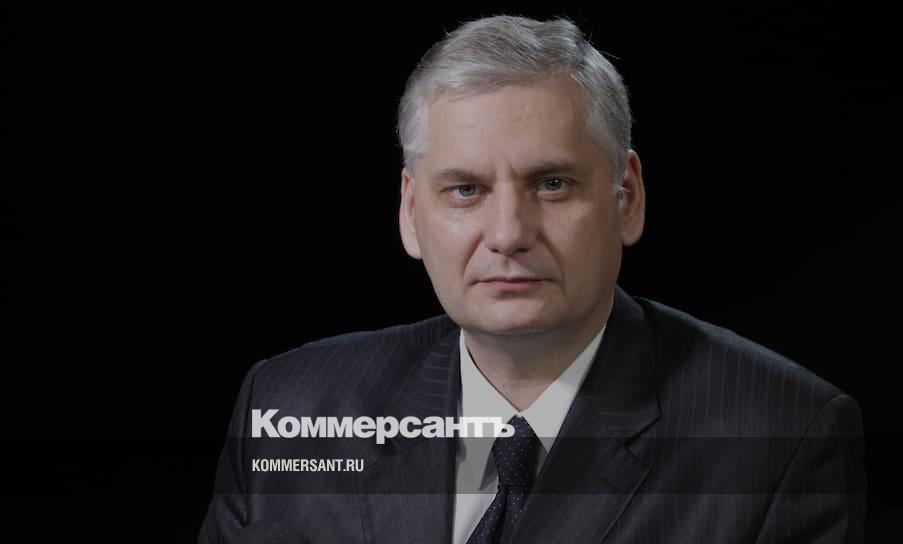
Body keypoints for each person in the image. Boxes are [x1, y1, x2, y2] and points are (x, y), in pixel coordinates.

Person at [199, 15, 865, 543]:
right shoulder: (291, 407)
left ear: (627, 198)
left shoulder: (780, 436)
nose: (509, 233)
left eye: (551, 184)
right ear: (409, 213)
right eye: (465, 190)